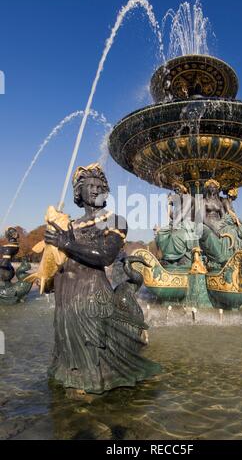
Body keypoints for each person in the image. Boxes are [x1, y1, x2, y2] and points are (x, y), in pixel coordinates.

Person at [44, 163, 160, 395]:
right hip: (66, 295)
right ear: (79, 191)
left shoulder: (115, 221)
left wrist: (66, 243)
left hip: (91, 296)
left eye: (100, 186)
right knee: (68, 345)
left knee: (92, 348)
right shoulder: (68, 224)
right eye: (90, 186)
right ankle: (73, 380)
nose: (96, 190)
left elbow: (106, 256)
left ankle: (95, 388)